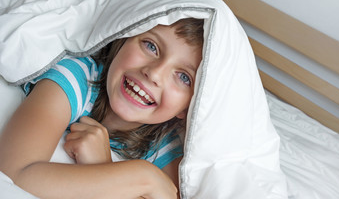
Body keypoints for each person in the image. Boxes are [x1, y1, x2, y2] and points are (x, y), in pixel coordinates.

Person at [0, 18, 204, 199]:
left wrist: (102, 164)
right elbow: (15, 173)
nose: (154, 74)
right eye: (151, 46)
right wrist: (144, 177)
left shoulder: (169, 147)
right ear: (124, 37)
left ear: (190, 106)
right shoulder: (77, 76)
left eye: (184, 77)